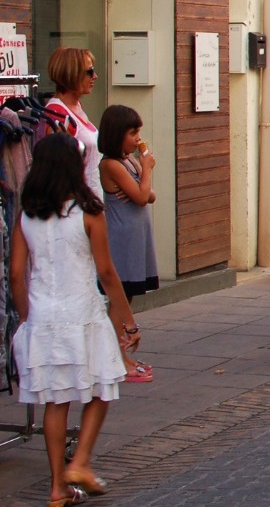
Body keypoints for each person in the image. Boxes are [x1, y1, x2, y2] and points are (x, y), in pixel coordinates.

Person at [10, 133, 142, 506]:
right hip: (83, 313)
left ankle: (58, 488)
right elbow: (106, 272)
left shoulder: (27, 216)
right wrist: (128, 321)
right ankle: (80, 461)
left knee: (56, 400)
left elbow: (16, 273)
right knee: (104, 385)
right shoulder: (88, 212)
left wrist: (25, 316)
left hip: (43, 315)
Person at [97, 105, 159, 383]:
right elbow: (141, 196)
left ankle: (120, 353)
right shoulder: (110, 164)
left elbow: (149, 195)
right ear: (117, 134)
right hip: (122, 236)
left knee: (129, 294)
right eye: (132, 133)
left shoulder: (129, 161)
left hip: (136, 234)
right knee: (119, 298)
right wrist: (146, 169)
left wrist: (142, 177)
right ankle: (115, 357)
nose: (137, 139)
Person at [42, 47, 103, 199]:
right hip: (77, 204)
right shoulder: (58, 114)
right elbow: (57, 170)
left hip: (90, 200)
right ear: (72, 74)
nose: (95, 76)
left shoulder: (75, 107)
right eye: (89, 72)